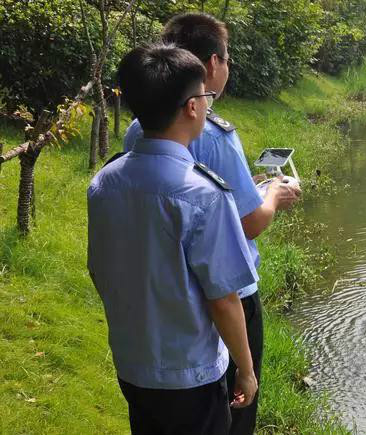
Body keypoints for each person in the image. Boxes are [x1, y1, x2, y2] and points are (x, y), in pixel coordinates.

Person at [123, 13, 301, 435]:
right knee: (234, 408)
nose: (228, 67)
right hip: (227, 294)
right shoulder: (218, 135)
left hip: (163, 297)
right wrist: (273, 194)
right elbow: (249, 223)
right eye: (228, 58)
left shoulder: (137, 131)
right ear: (212, 64)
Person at [88, 43, 259, 435]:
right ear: (192, 107)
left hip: (133, 366)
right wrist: (246, 371)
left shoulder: (104, 182)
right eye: (205, 95)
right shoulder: (202, 196)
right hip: (190, 375)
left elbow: (99, 268)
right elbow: (224, 298)